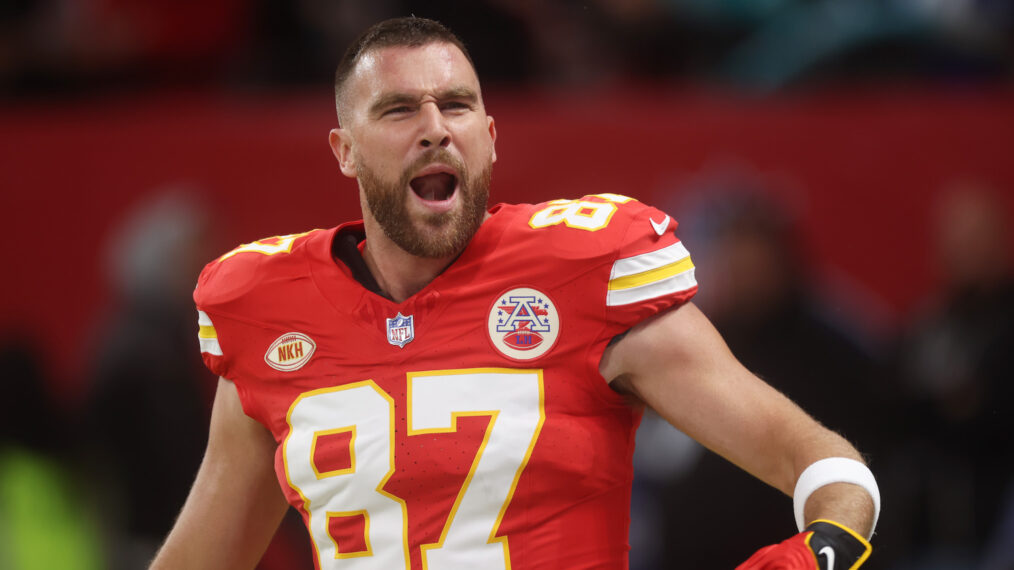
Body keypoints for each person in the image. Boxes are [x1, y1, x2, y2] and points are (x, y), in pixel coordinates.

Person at [150, 17, 879, 569]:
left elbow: (822, 462)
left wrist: (819, 552)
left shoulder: (586, 271)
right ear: (345, 149)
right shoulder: (267, 309)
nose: (435, 130)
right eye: (400, 109)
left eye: (457, 105)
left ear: (491, 137)